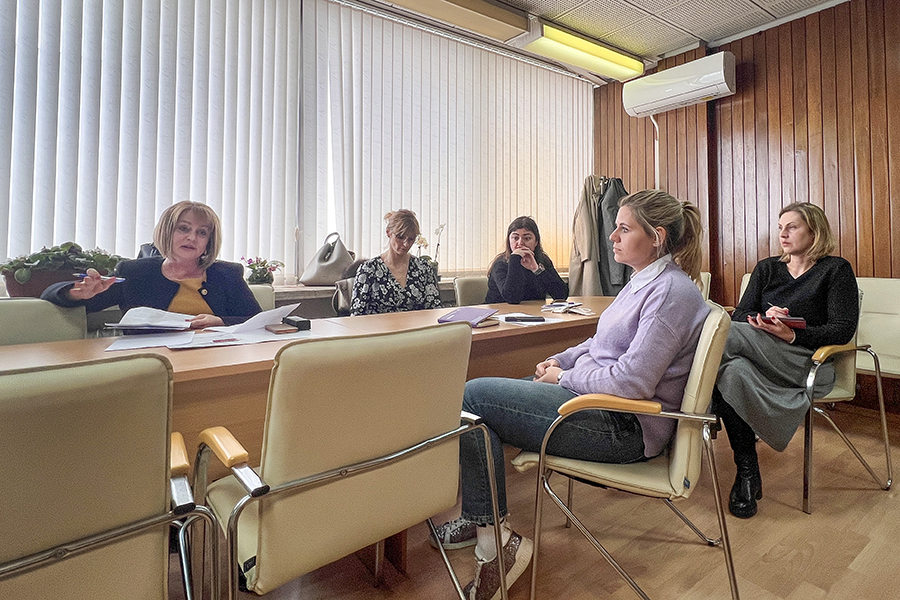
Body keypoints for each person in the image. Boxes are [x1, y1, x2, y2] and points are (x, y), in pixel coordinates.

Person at [433, 191, 709, 600]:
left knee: (472, 398)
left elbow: (632, 382)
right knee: (476, 409)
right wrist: (558, 360)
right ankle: (488, 528)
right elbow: (600, 343)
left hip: (623, 426)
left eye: (623, 228)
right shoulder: (644, 281)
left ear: (657, 237)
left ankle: (492, 540)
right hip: (602, 409)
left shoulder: (670, 292)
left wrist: (564, 377)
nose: (612, 236)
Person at [711, 202, 858, 519]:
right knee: (731, 372)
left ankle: (687, 410)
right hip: (763, 355)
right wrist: (765, 317)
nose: (783, 234)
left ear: (814, 231)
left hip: (810, 362)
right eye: (780, 228)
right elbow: (741, 314)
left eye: (792, 227)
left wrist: (792, 334)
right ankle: (747, 471)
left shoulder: (835, 270)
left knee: (721, 332)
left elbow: (843, 329)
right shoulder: (767, 268)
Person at [42, 201, 262, 327]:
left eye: (202, 232)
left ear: (208, 242)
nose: (192, 238)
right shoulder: (135, 273)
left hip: (215, 359)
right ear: (167, 232)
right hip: (152, 361)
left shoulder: (226, 274)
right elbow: (52, 296)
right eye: (183, 228)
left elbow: (256, 321)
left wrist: (221, 321)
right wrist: (76, 293)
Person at [350, 209, 442, 315]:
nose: (406, 244)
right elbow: (357, 314)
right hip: (379, 326)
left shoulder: (424, 269)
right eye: (400, 237)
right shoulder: (368, 270)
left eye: (411, 239)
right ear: (388, 232)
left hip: (417, 325)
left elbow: (435, 309)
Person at [484, 216, 568, 304]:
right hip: (499, 311)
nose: (520, 243)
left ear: (536, 242)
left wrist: (536, 269)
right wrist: (515, 259)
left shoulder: (543, 260)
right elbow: (512, 298)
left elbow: (561, 295)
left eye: (527, 238)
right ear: (509, 241)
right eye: (515, 238)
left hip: (534, 311)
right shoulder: (501, 263)